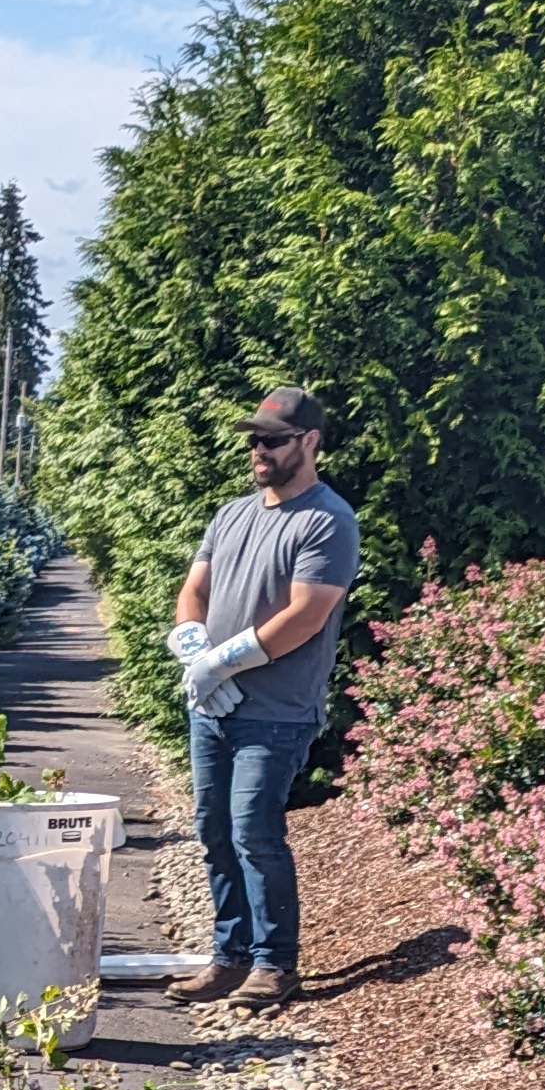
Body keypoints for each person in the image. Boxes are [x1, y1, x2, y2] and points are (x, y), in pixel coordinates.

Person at [163, 389, 360, 1008]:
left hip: (276, 712)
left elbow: (305, 616)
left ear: (309, 442)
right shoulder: (231, 515)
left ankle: (275, 965)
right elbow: (194, 590)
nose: (259, 450)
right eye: (254, 439)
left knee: (254, 830)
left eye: (273, 439)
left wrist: (223, 662)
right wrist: (195, 652)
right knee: (214, 829)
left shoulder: (327, 519)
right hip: (213, 708)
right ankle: (229, 957)